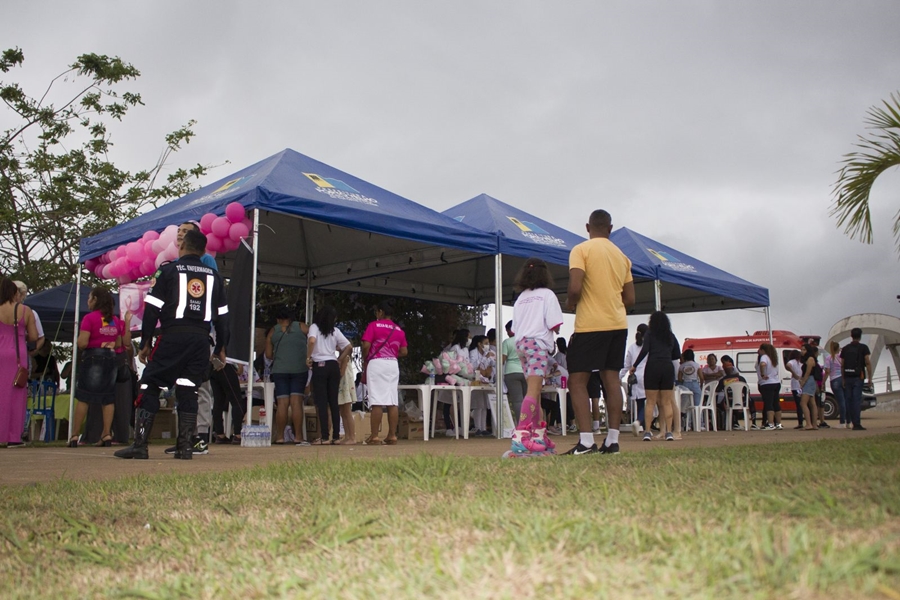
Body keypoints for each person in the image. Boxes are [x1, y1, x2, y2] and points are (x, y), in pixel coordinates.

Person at [115, 229, 229, 460]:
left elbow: (152, 309)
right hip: (200, 341)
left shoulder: (168, 270)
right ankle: (185, 446)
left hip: (173, 336)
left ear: (182, 247)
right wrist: (220, 348)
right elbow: (224, 317)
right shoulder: (214, 277)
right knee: (189, 390)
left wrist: (146, 341)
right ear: (204, 250)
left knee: (149, 384)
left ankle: (140, 444)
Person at [565, 209, 635, 455]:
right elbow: (631, 298)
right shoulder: (623, 257)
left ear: (587, 227)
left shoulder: (581, 250)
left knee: (577, 380)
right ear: (610, 228)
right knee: (611, 379)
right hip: (618, 324)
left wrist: (571, 304)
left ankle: (586, 442)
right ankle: (612, 440)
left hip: (590, 325)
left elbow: (575, 287)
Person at [507, 257, 564, 456]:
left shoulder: (521, 297)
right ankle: (521, 435)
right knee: (533, 391)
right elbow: (555, 324)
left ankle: (538, 433)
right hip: (538, 345)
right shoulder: (547, 295)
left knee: (536, 392)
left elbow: (514, 328)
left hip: (522, 345)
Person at [70, 286, 123, 447]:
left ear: (95, 300)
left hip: (93, 357)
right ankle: (106, 433)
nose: (88, 301)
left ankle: (74, 435)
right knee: (108, 398)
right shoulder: (113, 319)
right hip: (111, 357)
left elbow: (82, 342)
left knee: (84, 397)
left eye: (89, 298)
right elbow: (120, 343)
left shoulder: (90, 318)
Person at [0, 278, 41, 448]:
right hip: (18, 354)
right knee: (17, 394)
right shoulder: (25, 310)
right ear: (14, 292)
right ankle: (13, 437)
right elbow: (33, 336)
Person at [361, 301, 408, 445]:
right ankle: (392, 435)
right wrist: (391, 352)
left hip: (377, 363)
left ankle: (374, 436)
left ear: (380, 312)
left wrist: (366, 357)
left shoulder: (373, 326)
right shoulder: (399, 330)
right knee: (392, 401)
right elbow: (404, 351)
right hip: (393, 364)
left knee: (376, 401)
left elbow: (366, 344)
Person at [305, 305, 352, 444]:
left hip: (319, 365)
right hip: (333, 365)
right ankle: (336, 436)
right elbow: (348, 346)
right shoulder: (335, 331)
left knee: (322, 402)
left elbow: (312, 340)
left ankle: (325, 436)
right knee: (333, 402)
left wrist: (308, 357)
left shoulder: (314, 327)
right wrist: (339, 359)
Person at [632, 311, 680, 442]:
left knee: (650, 402)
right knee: (666, 402)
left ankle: (647, 432)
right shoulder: (670, 335)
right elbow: (677, 354)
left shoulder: (650, 334)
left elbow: (645, 350)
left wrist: (635, 365)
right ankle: (669, 432)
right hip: (667, 366)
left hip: (652, 366)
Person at [265, 306, 310, 445]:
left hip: (280, 370)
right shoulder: (302, 327)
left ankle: (280, 436)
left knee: (282, 403)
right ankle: (298, 436)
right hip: (299, 369)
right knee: (296, 402)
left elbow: (268, 354)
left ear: (278, 319)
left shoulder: (273, 331)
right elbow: (314, 340)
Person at [841, 327, 873, 431]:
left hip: (848, 376)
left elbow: (842, 364)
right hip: (858, 377)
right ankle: (857, 423)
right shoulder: (863, 348)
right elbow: (867, 362)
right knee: (856, 399)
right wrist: (870, 378)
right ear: (860, 336)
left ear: (851, 335)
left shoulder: (845, 348)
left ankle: (848, 421)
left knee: (848, 400)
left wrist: (843, 378)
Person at [622, 324, 648, 434]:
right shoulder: (649, 346)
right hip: (647, 376)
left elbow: (626, 365)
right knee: (650, 403)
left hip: (635, 378)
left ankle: (643, 426)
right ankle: (639, 422)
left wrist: (619, 377)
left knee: (640, 403)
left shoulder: (632, 347)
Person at [501, 320, 527, 428]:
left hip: (511, 372)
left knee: (517, 401)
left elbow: (502, 359)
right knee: (527, 400)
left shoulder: (507, 342)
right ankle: (529, 424)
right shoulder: (525, 341)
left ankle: (520, 425)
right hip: (525, 371)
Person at [468, 334, 494, 436]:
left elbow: (490, 366)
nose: (488, 345)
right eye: (486, 343)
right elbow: (474, 365)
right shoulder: (473, 352)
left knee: (484, 405)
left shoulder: (487, 353)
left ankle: (483, 428)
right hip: (475, 379)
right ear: (479, 344)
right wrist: (484, 359)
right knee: (478, 405)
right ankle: (477, 427)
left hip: (485, 380)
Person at [715, 355, 750, 430]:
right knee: (750, 401)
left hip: (728, 402)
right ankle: (753, 423)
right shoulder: (741, 378)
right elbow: (746, 390)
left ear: (724, 370)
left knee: (720, 404)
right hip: (742, 401)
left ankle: (727, 423)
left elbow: (717, 390)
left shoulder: (723, 380)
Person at [756, 343, 783, 430]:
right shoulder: (773, 358)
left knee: (768, 403)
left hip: (767, 383)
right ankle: (778, 423)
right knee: (776, 403)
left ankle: (770, 423)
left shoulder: (764, 357)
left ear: (763, 350)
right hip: (776, 382)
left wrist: (763, 374)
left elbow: (762, 364)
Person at [824, 340, 847, 428]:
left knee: (840, 401)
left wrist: (823, 382)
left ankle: (842, 422)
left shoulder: (829, 358)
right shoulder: (842, 357)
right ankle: (848, 421)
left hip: (834, 379)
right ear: (838, 348)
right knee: (845, 401)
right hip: (844, 378)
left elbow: (827, 371)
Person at [798, 344, 821, 430]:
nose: (802, 351)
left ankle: (809, 424)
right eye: (801, 350)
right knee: (812, 403)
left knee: (803, 403)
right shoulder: (807, 359)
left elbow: (808, 372)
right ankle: (814, 424)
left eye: (804, 350)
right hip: (810, 381)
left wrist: (803, 382)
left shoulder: (810, 359)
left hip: (809, 381)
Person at [786, 349, 804, 428]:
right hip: (803, 384)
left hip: (795, 385)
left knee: (799, 405)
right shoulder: (802, 362)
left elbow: (788, 365)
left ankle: (800, 422)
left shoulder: (792, 361)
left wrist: (794, 373)